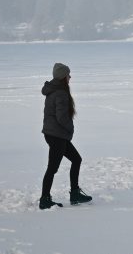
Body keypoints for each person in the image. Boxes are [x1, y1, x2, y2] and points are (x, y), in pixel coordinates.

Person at [40, 62, 92, 209]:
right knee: (52, 168)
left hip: (53, 134)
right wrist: (70, 129)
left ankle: (75, 194)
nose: (70, 77)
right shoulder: (61, 93)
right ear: (63, 77)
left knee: (76, 159)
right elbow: (61, 117)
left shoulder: (53, 89)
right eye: (68, 74)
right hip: (57, 135)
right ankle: (45, 200)